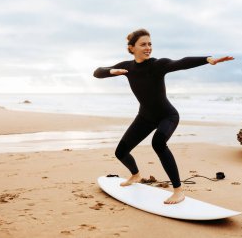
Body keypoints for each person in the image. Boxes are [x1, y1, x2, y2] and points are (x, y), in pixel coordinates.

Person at [93, 28, 234, 204]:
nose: (148, 47)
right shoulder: (127, 67)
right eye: (143, 44)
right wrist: (110, 72)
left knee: (158, 143)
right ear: (132, 48)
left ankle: (178, 191)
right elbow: (97, 72)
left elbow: (181, 62)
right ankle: (136, 175)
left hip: (167, 116)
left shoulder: (157, 65)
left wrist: (207, 59)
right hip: (145, 117)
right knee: (121, 152)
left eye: (150, 44)